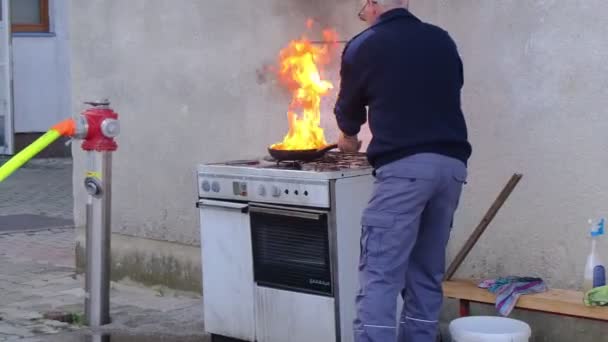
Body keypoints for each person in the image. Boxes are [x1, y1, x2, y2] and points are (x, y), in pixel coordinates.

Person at [333, 0, 472, 341]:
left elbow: (349, 107)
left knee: (381, 274)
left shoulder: (366, 44)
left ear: (374, 3)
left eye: (363, 6)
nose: (363, 14)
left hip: (405, 172)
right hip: (451, 169)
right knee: (425, 273)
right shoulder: (442, 39)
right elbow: (449, 86)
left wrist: (348, 136)